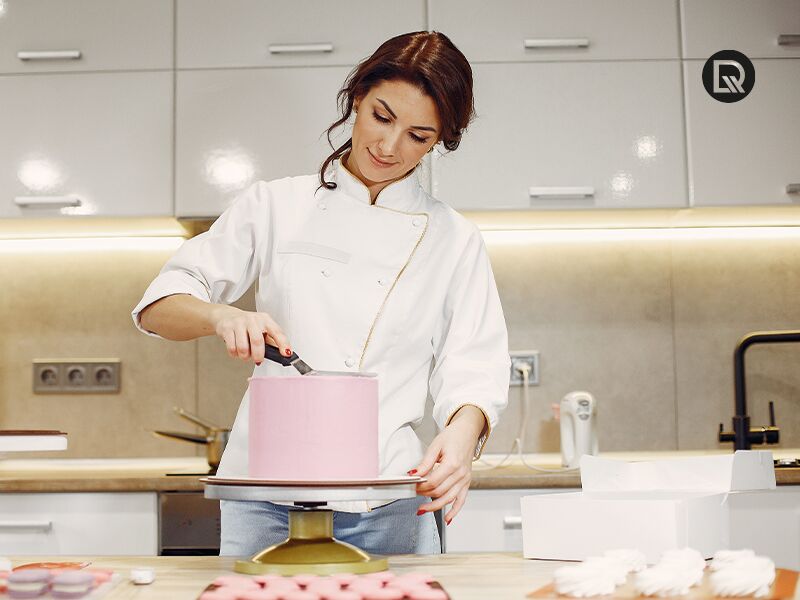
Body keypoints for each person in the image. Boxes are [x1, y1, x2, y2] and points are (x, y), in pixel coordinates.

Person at [132, 31, 510, 556]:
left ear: (439, 140)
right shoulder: (275, 205)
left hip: (392, 490)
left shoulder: (454, 238)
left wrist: (463, 435)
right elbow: (159, 308)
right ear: (357, 98)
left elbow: (475, 361)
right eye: (381, 117)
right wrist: (221, 316)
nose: (389, 147)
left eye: (418, 136)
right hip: (266, 494)